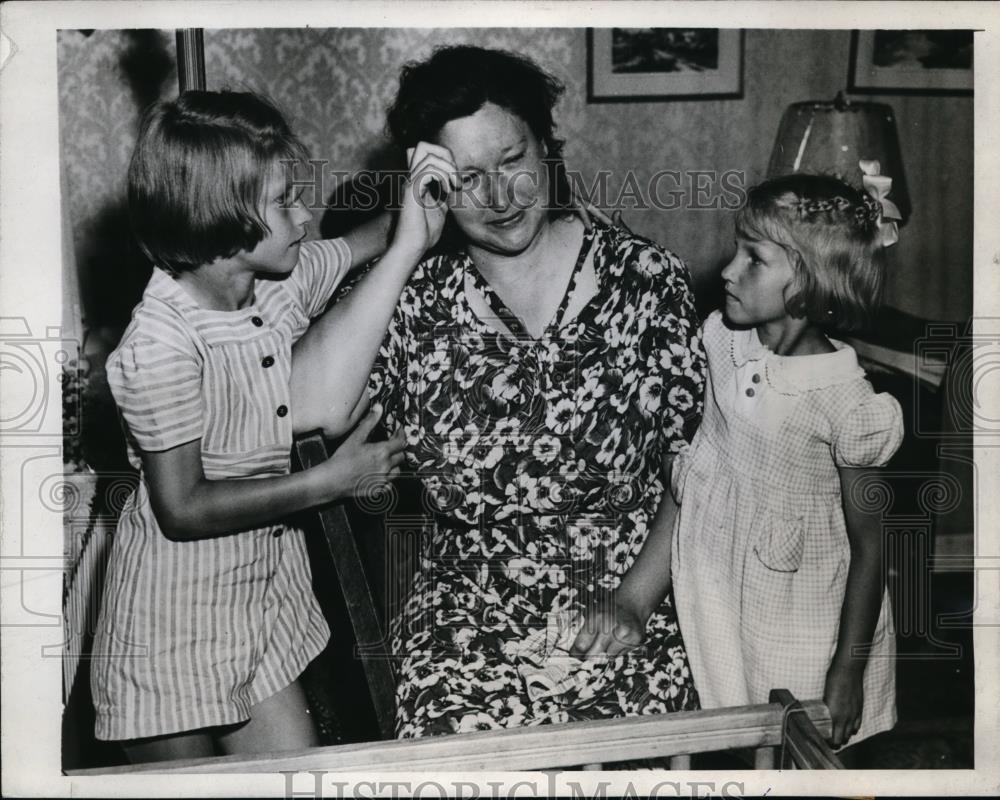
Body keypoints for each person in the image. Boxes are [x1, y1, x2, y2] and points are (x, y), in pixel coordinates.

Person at [296, 45, 707, 739]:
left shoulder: (646, 279)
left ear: (548, 148)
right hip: (473, 609)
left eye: (513, 161)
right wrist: (403, 249)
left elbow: (697, 462)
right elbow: (305, 408)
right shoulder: (418, 302)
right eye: (466, 178)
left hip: (637, 588)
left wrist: (633, 601)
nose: (499, 198)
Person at [90, 89, 457, 762]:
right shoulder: (159, 345)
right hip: (171, 626)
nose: (304, 215)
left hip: (259, 607)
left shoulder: (269, 279)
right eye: (286, 202)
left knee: (296, 776)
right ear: (221, 223)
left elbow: (359, 243)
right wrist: (329, 481)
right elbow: (183, 507)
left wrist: (421, 204)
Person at [670, 168, 905, 750]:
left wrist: (846, 669)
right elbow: (706, 464)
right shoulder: (723, 342)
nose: (728, 270)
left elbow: (871, 545)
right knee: (739, 735)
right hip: (726, 587)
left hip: (807, 619)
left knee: (796, 747)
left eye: (754, 258)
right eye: (736, 250)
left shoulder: (847, 404)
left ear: (807, 283)